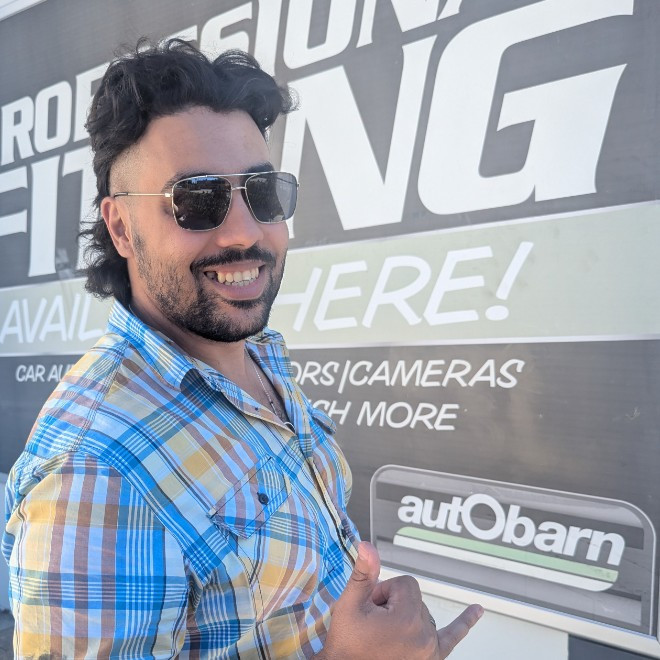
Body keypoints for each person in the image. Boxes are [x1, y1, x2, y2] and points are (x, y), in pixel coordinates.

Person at [2, 39, 482, 658]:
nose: (244, 232)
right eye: (196, 200)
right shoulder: (94, 469)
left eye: (262, 192)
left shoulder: (255, 360)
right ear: (120, 226)